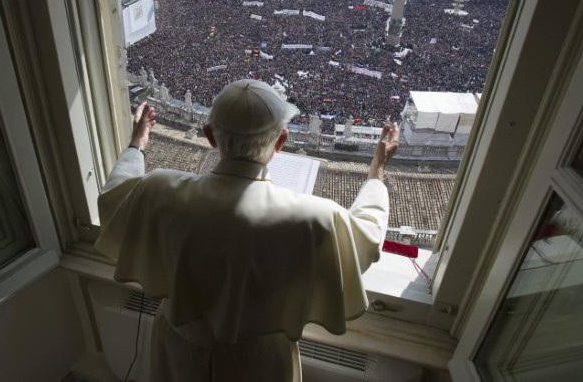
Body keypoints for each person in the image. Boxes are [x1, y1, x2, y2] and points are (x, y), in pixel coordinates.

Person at [95, 79, 400, 382]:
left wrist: (137, 145)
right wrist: (376, 172)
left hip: (179, 348)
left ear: (210, 136)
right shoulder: (315, 218)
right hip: (259, 364)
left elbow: (114, 199)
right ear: (280, 142)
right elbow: (367, 236)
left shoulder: (159, 189)